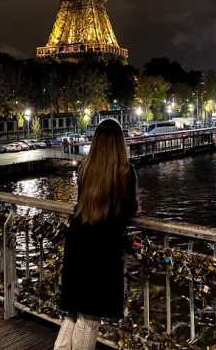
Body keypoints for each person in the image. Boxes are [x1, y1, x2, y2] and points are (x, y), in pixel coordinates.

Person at [54, 119, 138, 350]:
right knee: (90, 319)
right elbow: (130, 209)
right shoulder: (125, 172)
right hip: (103, 249)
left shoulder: (86, 168)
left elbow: (81, 203)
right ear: (119, 143)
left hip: (79, 242)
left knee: (73, 311)